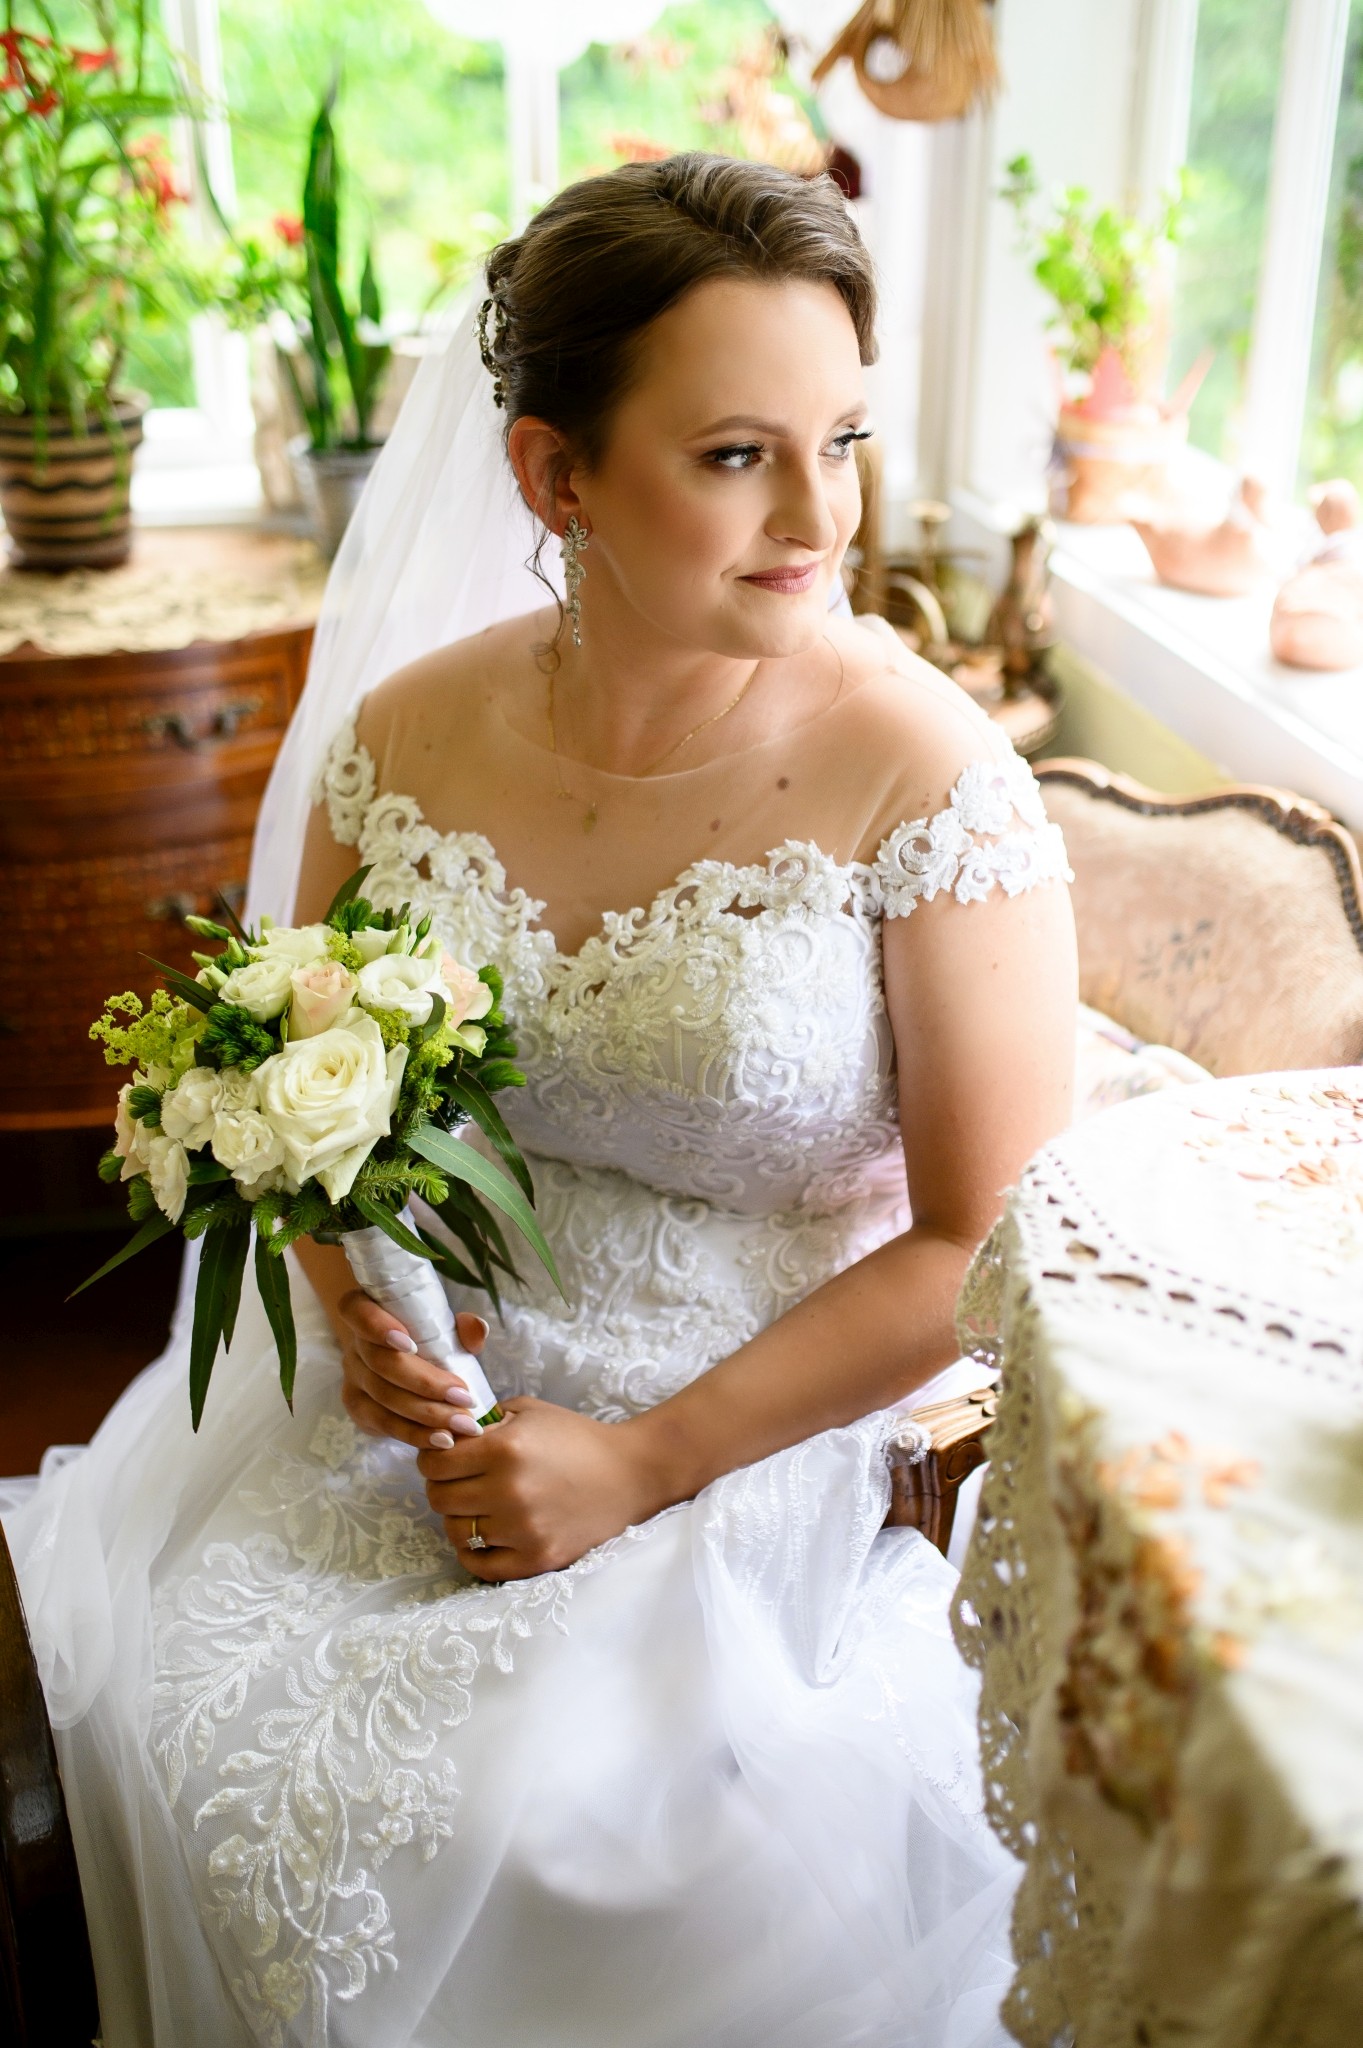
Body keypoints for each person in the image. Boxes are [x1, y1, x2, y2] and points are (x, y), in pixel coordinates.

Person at [5, 153, 1076, 2047]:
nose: (820, 514)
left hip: (750, 1407)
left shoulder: (929, 779)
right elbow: (293, 1085)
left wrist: (642, 1462)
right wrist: (354, 1310)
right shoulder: (405, 734)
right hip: (433, 1370)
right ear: (553, 475)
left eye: (841, 437)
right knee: (191, 1705)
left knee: (550, 1811)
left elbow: (979, 1240)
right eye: (737, 455)